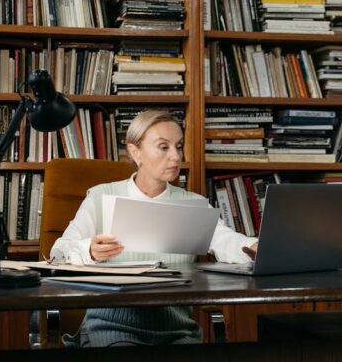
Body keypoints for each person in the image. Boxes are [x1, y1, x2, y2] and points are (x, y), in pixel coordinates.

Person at [50, 109, 259, 347]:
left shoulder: (193, 204)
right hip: (111, 327)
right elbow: (59, 252)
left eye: (178, 146)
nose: (175, 156)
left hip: (176, 331)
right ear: (135, 152)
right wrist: (89, 250)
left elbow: (225, 240)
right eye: (163, 146)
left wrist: (252, 246)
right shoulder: (101, 196)